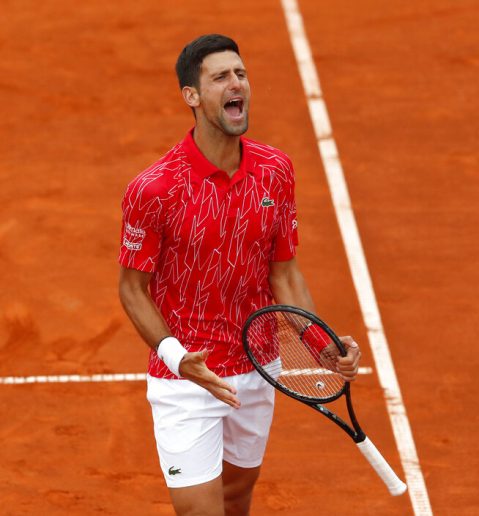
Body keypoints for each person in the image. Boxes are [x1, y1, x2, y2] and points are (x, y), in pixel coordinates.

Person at [118, 34, 361, 515]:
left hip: (259, 365)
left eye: (242, 74)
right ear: (192, 95)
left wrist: (323, 346)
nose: (237, 84)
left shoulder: (276, 170)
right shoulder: (154, 189)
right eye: (221, 77)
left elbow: (285, 276)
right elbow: (132, 289)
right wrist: (177, 357)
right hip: (187, 379)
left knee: (235, 500)